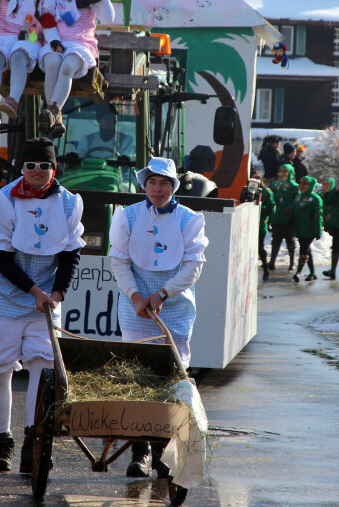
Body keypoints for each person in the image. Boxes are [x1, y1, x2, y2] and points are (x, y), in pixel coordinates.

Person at [0, 138, 83, 474]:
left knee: (43, 368)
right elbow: (0, 257)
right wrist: (35, 290)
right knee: (1, 370)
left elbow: (70, 253)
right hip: (3, 297)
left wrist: (57, 293)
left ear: (54, 168)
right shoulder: (3, 200)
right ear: (21, 167)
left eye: (44, 166)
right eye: (30, 166)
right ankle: (2, 442)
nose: (37, 172)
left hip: (45, 302)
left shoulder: (68, 203)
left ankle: (33, 441)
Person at [110, 157, 208, 478]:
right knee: (138, 381)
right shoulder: (127, 216)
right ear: (144, 184)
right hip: (136, 309)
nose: (157, 189)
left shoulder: (188, 219)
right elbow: (120, 261)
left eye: (164, 183)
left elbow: (193, 265)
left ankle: (164, 451)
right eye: (152, 182)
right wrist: (137, 296)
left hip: (174, 310)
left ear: (174, 186)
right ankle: (140, 453)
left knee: (169, 380)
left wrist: (163, 293)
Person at [38, 0, 113, 137]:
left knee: (67, 66)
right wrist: (54, 40)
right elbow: (47, 18)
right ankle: (56, 116)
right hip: (57, 41)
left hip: (80, 43)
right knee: (52, 63)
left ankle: (53, 110)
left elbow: (108, 18)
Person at [268, 163, 298, 273]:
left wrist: (292, 211)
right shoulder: (275, 185)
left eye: (285, 171)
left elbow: (297, 201)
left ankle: (292, 262)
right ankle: (272, 261)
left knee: (290, 241)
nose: (282, 174)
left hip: (289, 219)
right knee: (276, 240)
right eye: (280, 171)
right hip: (277, 217)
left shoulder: (294, 186)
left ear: (290, 173)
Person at [292, 176, 323, 281]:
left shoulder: (315, 198)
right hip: (300, 228)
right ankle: (312, 273)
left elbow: (318, 216)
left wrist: (317, 231)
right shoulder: (298, 197)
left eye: (305, 184)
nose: (302, 186)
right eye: (301, 183)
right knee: (306, 249)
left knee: (304, 250)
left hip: (309, 229)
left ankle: (298, 272)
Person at [248, 171, 275, 281]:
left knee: (260, 247)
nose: (256, 180)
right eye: (254, 178)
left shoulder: (267, 192)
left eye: (258, 178)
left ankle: (266, 270)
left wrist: (258, 208)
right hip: (248, 224)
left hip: (260, 224)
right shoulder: (248, 190)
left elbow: (272, 208)